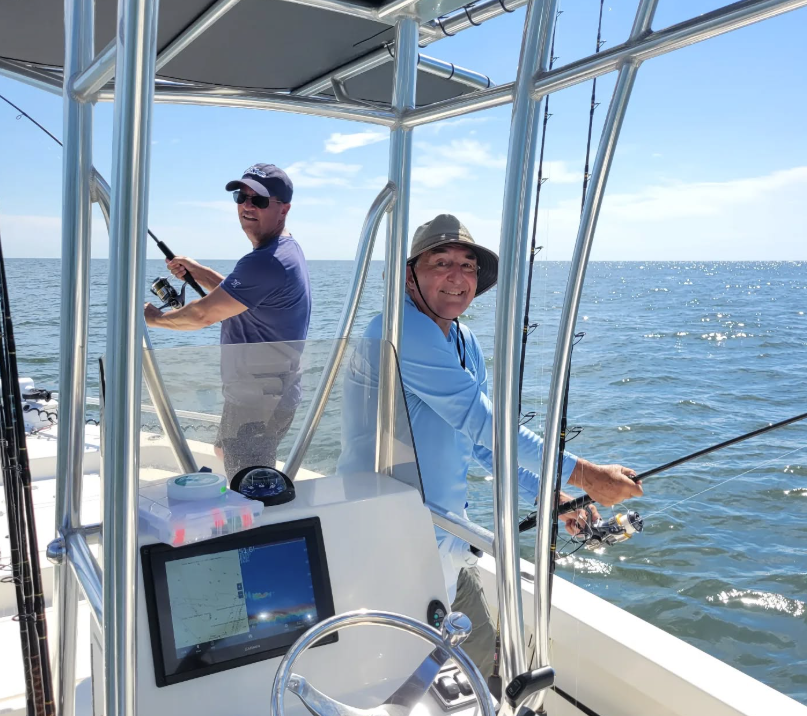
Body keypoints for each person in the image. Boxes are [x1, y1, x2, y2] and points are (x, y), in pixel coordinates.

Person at [339, 215, 643, 676]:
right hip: (387, 536)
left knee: (478, 656)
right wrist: (585, 475)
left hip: (442, 531)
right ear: (409, 275)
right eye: (441, 262)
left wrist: (548, 495)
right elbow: (478, 420)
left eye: (467, 265)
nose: (457, 276)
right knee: (393, 669)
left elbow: (482, 445)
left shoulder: (464, 341)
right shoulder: (398, 327)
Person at [144, 164, 311, 478]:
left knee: (250, 487)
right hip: (266, 393)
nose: (247, 205)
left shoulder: (266, 261)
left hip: (258, 402)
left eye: (259, 200)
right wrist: (197, 270)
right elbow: (242, 299)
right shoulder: (285, 251)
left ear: (284, 209)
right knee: (225, 451)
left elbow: (203, 314)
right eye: (241, 196)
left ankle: (252, 523)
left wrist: (153, 319)